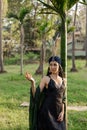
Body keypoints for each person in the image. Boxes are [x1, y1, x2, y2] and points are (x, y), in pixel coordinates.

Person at [25, 56, 66, 130]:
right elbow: (36, 95)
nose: (52, 67)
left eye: (55, 64)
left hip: (58, 114)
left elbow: (63, 98)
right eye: (51, 65)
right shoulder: (46, 79)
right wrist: (33, 82)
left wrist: (62, 112)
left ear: (59, 66)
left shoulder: (64, 80)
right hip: (47, 113)